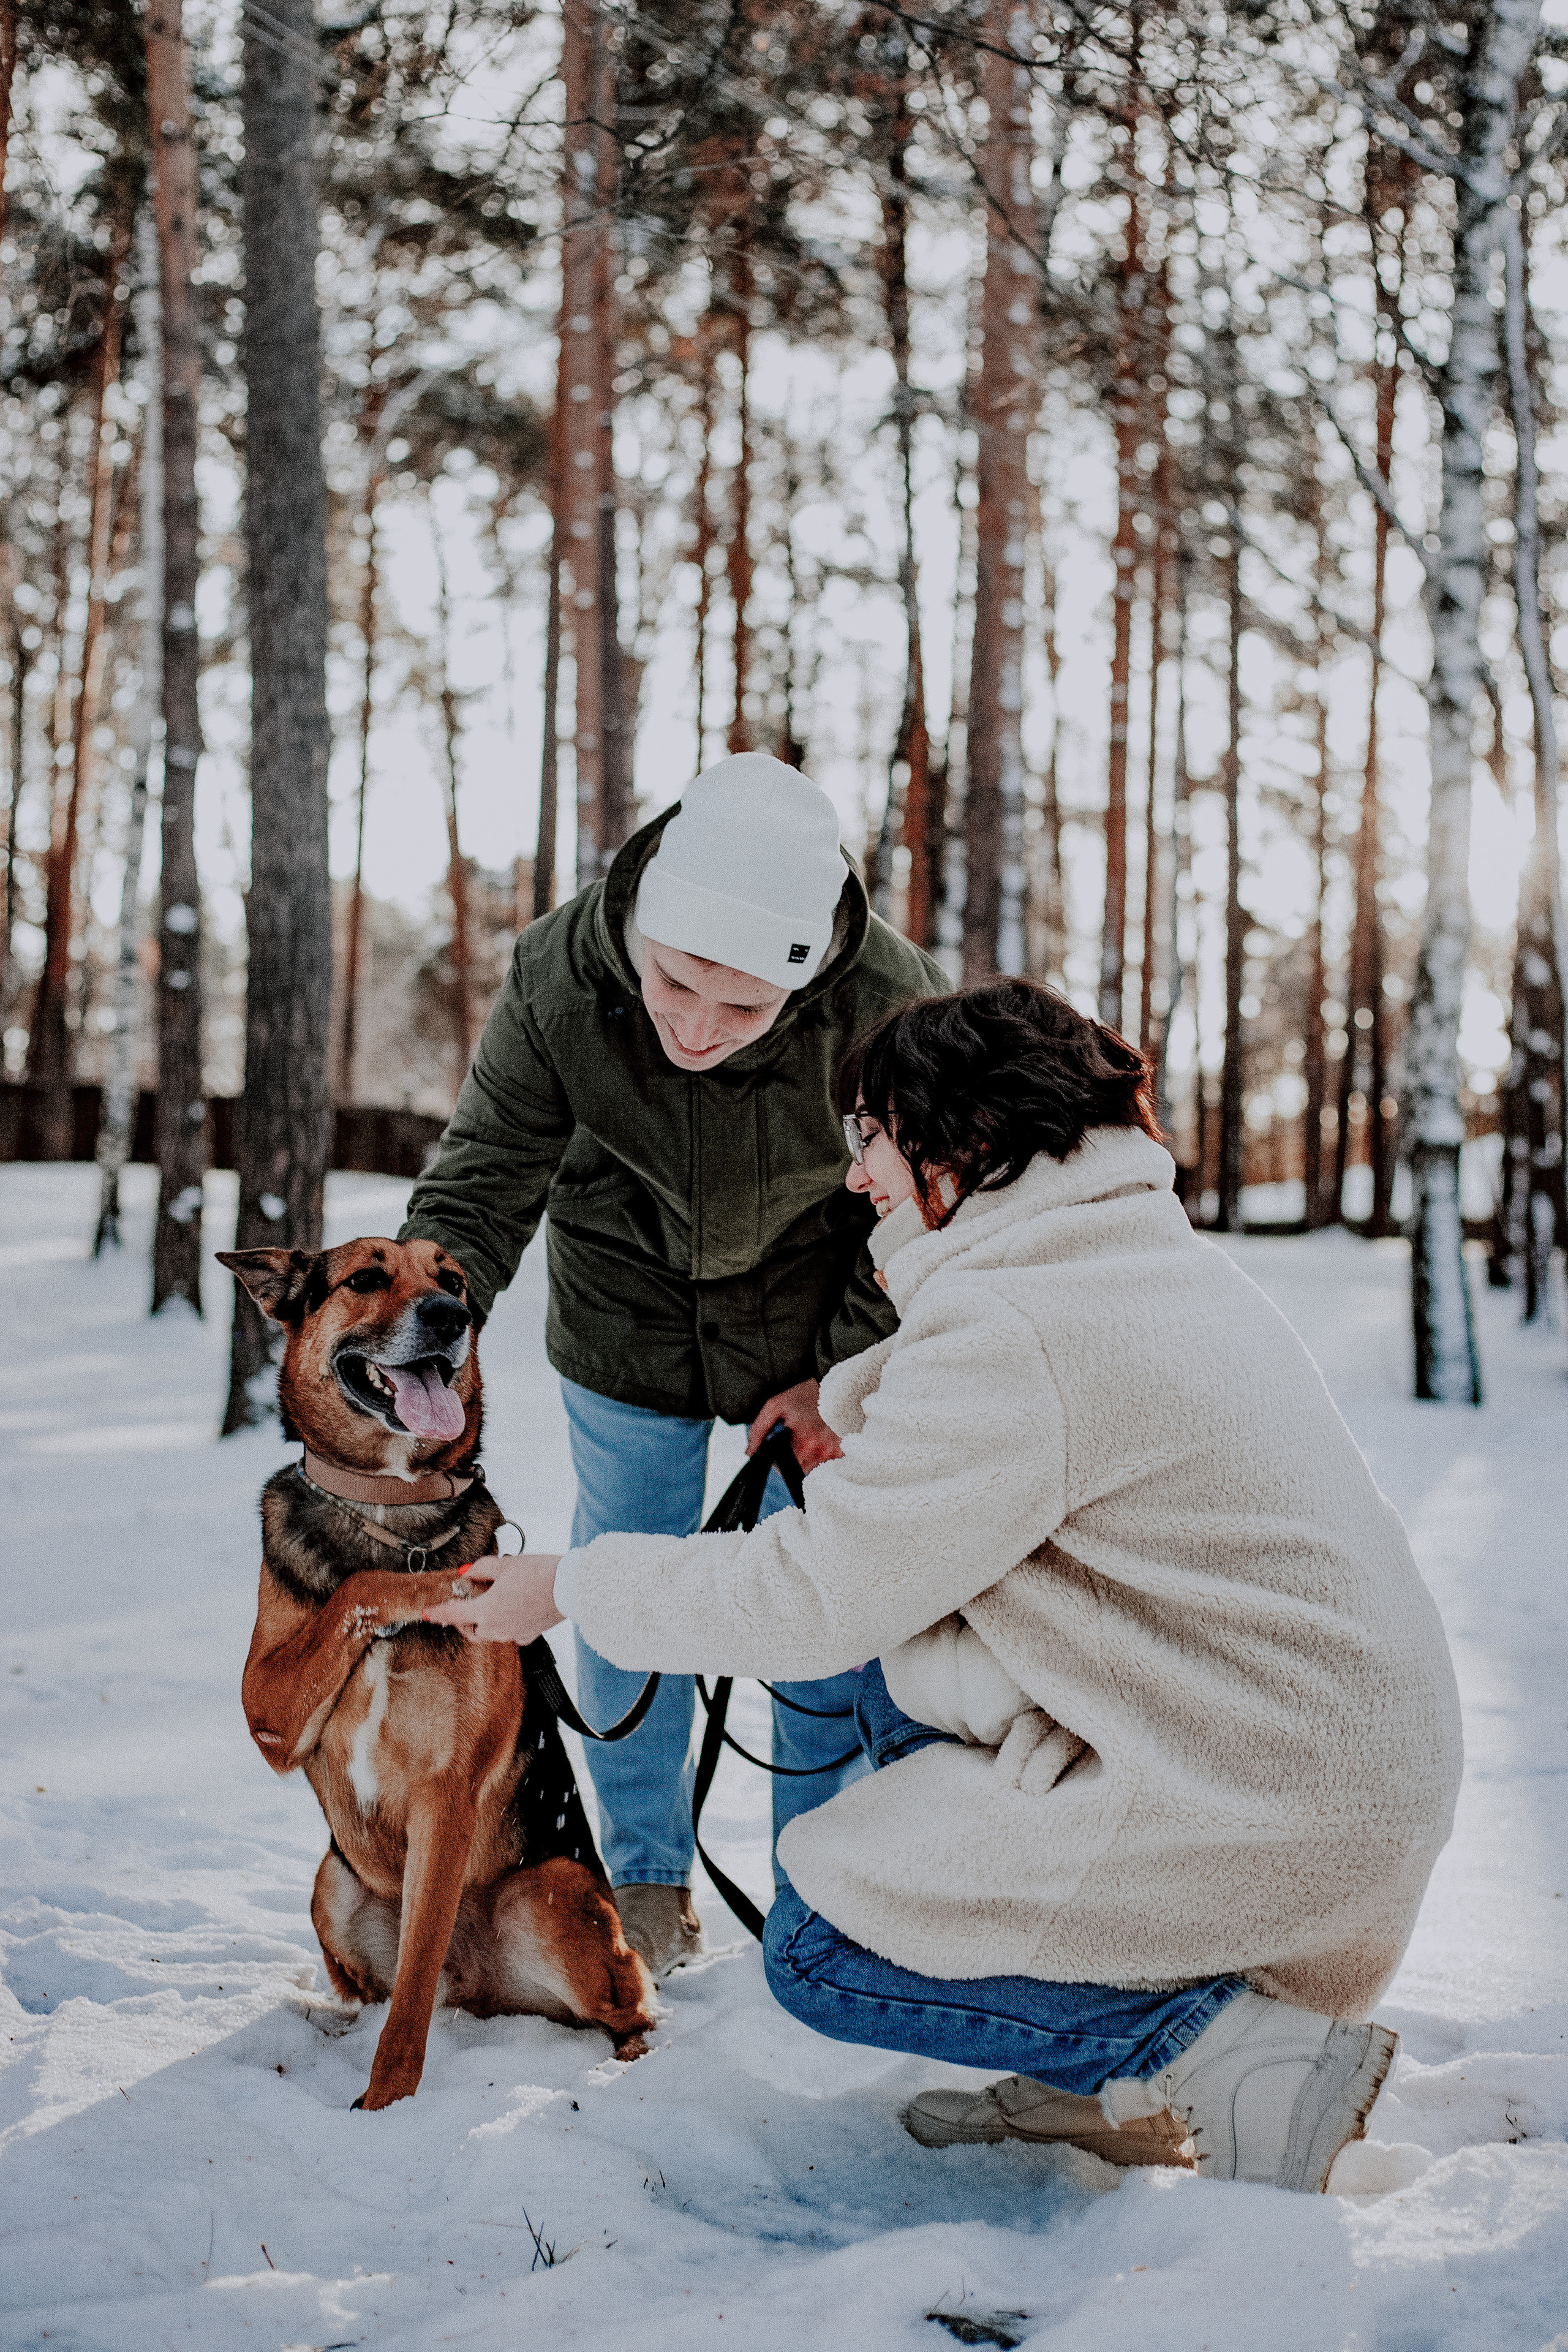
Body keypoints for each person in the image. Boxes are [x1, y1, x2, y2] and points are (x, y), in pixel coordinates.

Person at [426, 978, 1464, 2192]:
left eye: (869, 1133)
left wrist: (568, 1587)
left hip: (1249, 1804)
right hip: (1316, 1785)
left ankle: (1211, 2055)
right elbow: (1033, 1398)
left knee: (822, 1947)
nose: (854, 1171)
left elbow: (818, 1596)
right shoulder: (1137, 1267)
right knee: (897, 1662)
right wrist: (849, 1397)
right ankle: (1122, 2084)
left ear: (959, 1140)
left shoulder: (1011, 1329)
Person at [399, 752, 945, 1977]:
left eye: (742, 1007)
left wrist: (840, 1369)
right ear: (638, 934)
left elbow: (917, 1206)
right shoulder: (557, 974)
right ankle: (643, 1879)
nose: (695, 1026)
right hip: (625, 1305)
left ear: (803, 987)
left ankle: (817, 1885)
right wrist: (426, 1307)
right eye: (674, 984)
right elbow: (487, 1167)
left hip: (814, 1318)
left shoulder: (893, 1005)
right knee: (621, 1574)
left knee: (818, 1596)